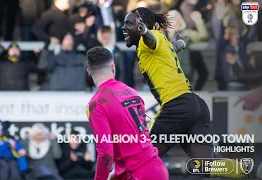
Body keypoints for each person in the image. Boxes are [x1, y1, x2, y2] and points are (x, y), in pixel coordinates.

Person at [121, 7, 253, 179]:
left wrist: (145, 31)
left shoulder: (152, 39)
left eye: (129, 23)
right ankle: (252, 171)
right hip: (195, 106)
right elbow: (169, 48)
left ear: (143, 26)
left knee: (142, 160)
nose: (124, 28)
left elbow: (152, 39)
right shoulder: (159, 45)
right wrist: (181, 44)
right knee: (206, 166)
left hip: (177, 106)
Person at [86, 47, 169, 180]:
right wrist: (118, 172)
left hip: (137, 174)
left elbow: (106, 153)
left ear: (89, 72)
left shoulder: (96, 104)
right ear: (113, 68)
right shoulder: (131, 91)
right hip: (157, 167)